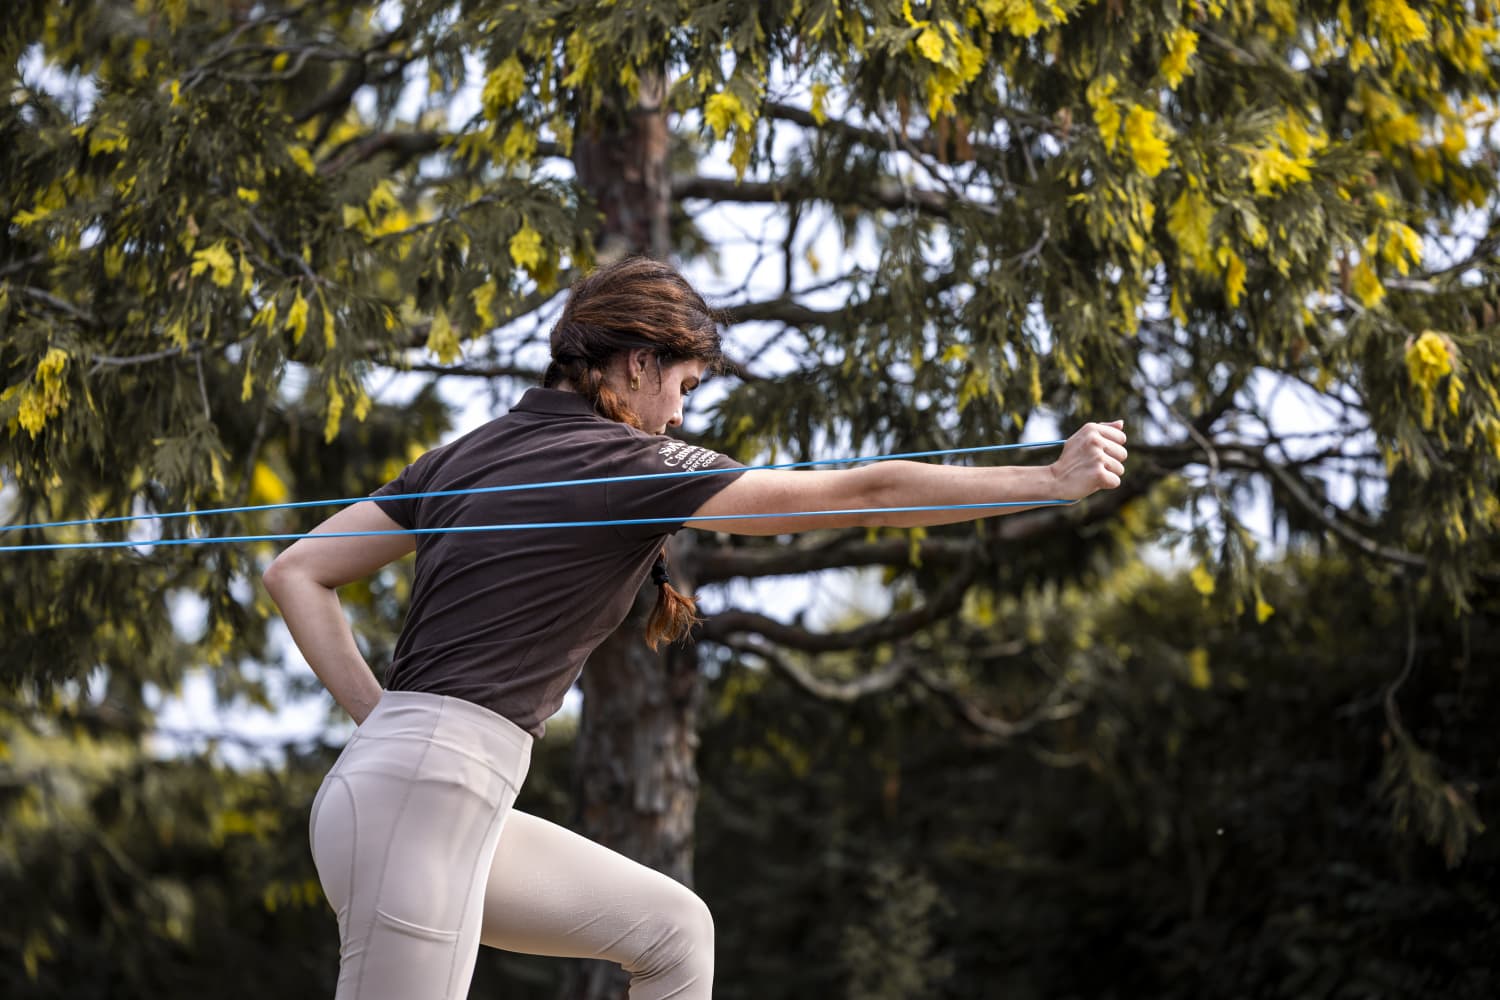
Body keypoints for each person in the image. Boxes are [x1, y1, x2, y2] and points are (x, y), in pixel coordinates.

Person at [262, 256, 1128, 1000]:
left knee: (675, 933)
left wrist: (384, 727)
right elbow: (855, 494)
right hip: (426, 797)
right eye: (681, 388)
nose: (678, 415)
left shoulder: (470, 451)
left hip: (412, 793)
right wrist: (1049, 481)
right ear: (636, 365)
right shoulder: (627, 461)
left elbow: (296, 571)